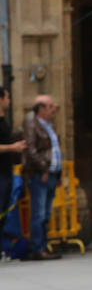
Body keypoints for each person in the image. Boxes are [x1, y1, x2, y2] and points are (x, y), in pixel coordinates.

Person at [22, 95, 63, 260]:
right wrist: (44, 169)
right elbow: (31, 150)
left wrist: (57, 173)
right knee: (38, 213)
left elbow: (55, 151)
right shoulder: (32, 124)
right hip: (40, 175)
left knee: (46, 213)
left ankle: (44, 246)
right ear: (41, 109)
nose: (54, 109)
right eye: (50, 106)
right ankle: (37, 248)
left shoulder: (50, 125)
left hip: (51, 174)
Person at [0, 86, 26, 258]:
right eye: (8, 97)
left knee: (3, 212)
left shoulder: (4, 121)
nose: (9, 100)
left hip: (6, 172)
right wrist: (13, 147)